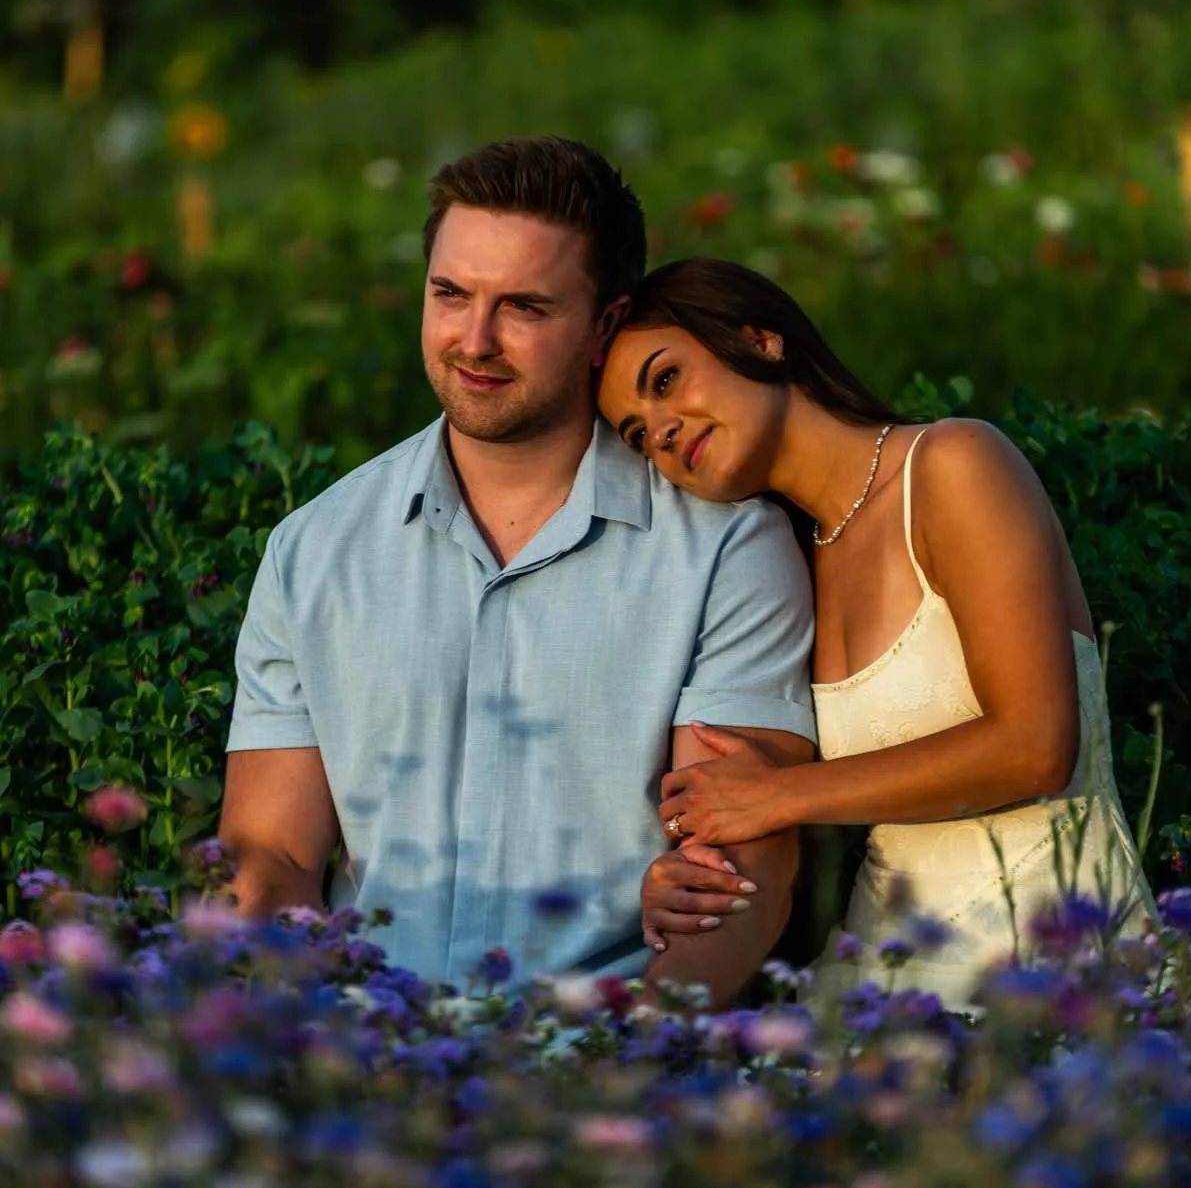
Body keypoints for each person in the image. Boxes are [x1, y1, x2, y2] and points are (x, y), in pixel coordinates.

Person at [217, 139, 816, 1007]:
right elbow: (270, 854)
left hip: (604, 1044)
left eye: (523, 307)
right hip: (362, 1039)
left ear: (605, 325)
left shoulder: (724, 549)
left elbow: (737, 870)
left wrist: (625, 1056)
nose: (474, 341)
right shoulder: (314, 549)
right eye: (450, 295)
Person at [597, 257, 1157, 1010]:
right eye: (637, 436)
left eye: (665, 380)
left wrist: (778, 795)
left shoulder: (954, 463)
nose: (661, 432)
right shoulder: (787, 567)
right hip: (881, 980)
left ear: (761, 340)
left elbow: (1035, 748)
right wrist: (687, 878)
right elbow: (780, 821)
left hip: (1055, 968)